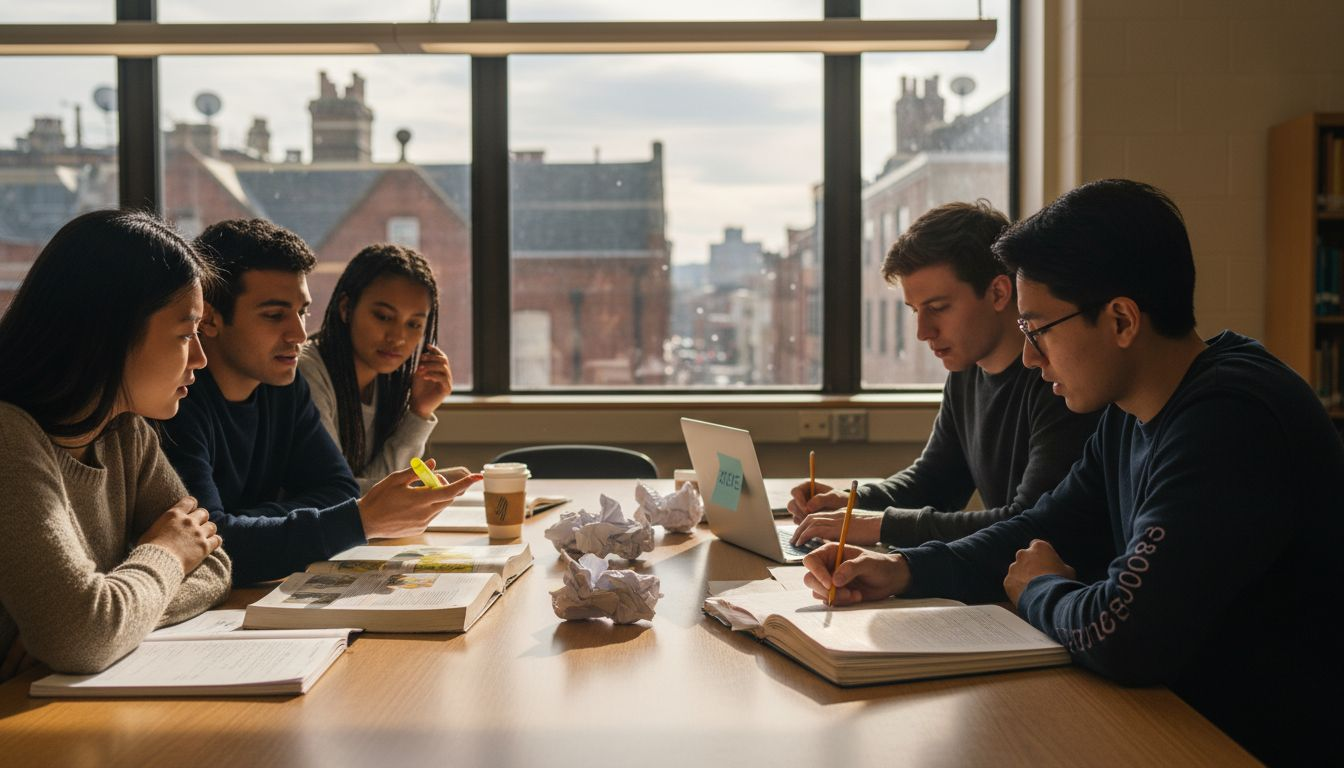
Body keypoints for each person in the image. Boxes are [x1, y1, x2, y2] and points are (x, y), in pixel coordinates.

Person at [801, 180, 1343, 765]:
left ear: (1121, 320)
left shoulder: (1230, 419)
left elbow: (1124, 634)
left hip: (1251, 742)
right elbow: (1039, 526)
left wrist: (1037, 588)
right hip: (1176, 717)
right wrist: (902, 570)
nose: (1030, 357)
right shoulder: (1129, 412)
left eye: (1038, 330)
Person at [159, 219, 478, 586]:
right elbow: (209, 548)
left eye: (302, 312)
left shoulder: (284, 386)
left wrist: (242, 522)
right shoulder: (176, 401)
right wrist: (351, 521)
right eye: (275, 315)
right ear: (211, 318)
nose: (297, 334)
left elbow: (339, 490)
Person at [0, 210, 231, 681]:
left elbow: (215, 565)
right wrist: (166, 553)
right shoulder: (9, 435)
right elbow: (80, 637)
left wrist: (110, 615)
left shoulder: (126, 434)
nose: (202, 359)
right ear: (112, 332)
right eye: (186, 335)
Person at [789, 201, 1099, 548]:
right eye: (915, 311)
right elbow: (935, 481)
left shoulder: (1059, 381)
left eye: (937, 308)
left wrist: (880, 526)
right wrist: (850, 502)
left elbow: (1027, 521)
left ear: (998, 292)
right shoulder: (966, 371)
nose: (923, 332)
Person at [298, 244, 452, 494]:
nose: (398, 337)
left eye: (414, 324)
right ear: (347, 308)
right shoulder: (308, 372)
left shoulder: (388, 383)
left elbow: (379, 491)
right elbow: (336, 495)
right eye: (383, 316)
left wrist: (419, 411)